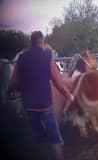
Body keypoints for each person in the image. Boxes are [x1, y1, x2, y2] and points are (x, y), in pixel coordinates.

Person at [11, 31, 74, 160]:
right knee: (55, 137)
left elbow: (14, 82)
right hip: (45, 105)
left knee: (37, 135)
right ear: (42, 43)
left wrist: (21, 89)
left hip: (28, 105)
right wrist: (68, 95)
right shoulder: (47, 57)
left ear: (31, 42)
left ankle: (42, 154)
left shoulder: (21, 58)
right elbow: (58, 82)